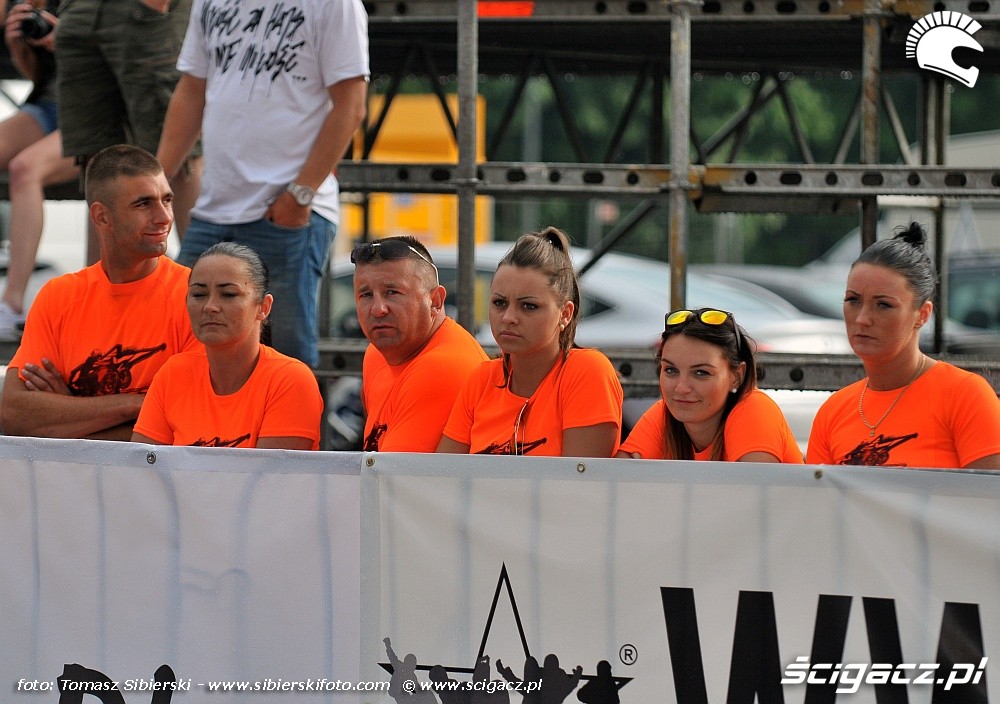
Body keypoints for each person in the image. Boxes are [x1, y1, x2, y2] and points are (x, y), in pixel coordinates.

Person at [156, 0, 369, 369]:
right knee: (177, 350)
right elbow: (192, 89)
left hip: (287, 214)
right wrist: (156, 181)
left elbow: (351, 104)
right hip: (214, 211)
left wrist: (300, 194)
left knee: (286, 363)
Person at [0, 144, 198, 440]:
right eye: (143, 204)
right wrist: (139, 405)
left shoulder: (197, 296)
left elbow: (191, 425)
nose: (164, 217)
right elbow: (15, 415)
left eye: (166, 200)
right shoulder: (59, 295)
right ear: (102, 216)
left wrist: (70, 413)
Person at [807, 224, 1000, 469]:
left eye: (883, 305)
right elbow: (817, 493)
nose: (862, 318)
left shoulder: (965, 396)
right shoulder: (833, 412)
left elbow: (988, 492)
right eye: (853, 300)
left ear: (923, 314)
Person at [437, 228, 623, 457]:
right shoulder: (481, 380)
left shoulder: (587, 371)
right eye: (499, 303)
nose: (508, 318)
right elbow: (443, 474)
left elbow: (578, 478)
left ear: (565, 314)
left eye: (529, 306)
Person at [132, 243, 322, 449]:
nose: (210, 307)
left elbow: (269, 470)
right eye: (198, 294)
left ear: (263, 307)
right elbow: (141, 464)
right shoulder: (173, 373)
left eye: (229, 294)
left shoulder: (291, 380)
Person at [54, 0, 202, 260]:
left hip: (143, 8)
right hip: (79, 10)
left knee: (179, 152)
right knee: (99, 165)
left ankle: (207, 277)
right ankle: (105, 283)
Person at [353, 236, 488, 452]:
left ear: (435, 301)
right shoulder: (376, 354)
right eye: (366, 295)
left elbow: (395, 472)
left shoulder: (442, 367)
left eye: (392, 292)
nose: (378, 309)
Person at [617, 308, 802, 462]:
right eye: (671, 370)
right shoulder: (663, 414)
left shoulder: (754, 410)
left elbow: (753, 493)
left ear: (737, 376)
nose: (681, 388)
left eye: (701, 373)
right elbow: (616, 482)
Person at [0, 0, 78, 339]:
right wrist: (18, 46)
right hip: (48, 106)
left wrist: (69, 39)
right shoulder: (31, 4)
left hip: (92, 113)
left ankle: (11, 304)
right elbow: (40, 76)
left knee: (25, 169)